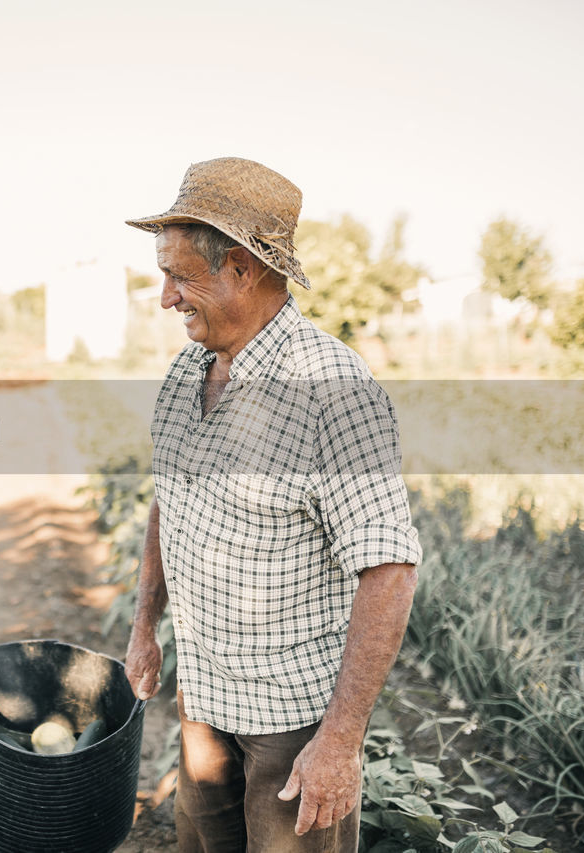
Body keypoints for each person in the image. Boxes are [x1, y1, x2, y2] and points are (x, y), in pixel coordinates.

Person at [122, 158, 422, 852]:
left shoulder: (331, 389)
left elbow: (390, 570)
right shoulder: (185, 372)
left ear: (242, 269)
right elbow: (170, 502)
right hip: (204, 705)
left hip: (292, 726)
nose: (166, 297)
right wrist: (145, 623)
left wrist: (340, 742)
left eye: (179, 275)